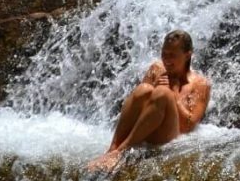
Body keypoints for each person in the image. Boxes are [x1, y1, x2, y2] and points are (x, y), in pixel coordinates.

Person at [87, 29, 210, 172]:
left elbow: (188, 126)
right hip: (146, 130)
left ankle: (121, 151)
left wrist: (174, 95)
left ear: (187, 55)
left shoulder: (200, 84)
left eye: (172, 55)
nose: (167, 60)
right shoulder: (156, 69)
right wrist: (154, 87)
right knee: (144, 88)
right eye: (164, 54)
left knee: (163, 93)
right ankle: (112, 148)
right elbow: (137, 106)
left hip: (170, 136)